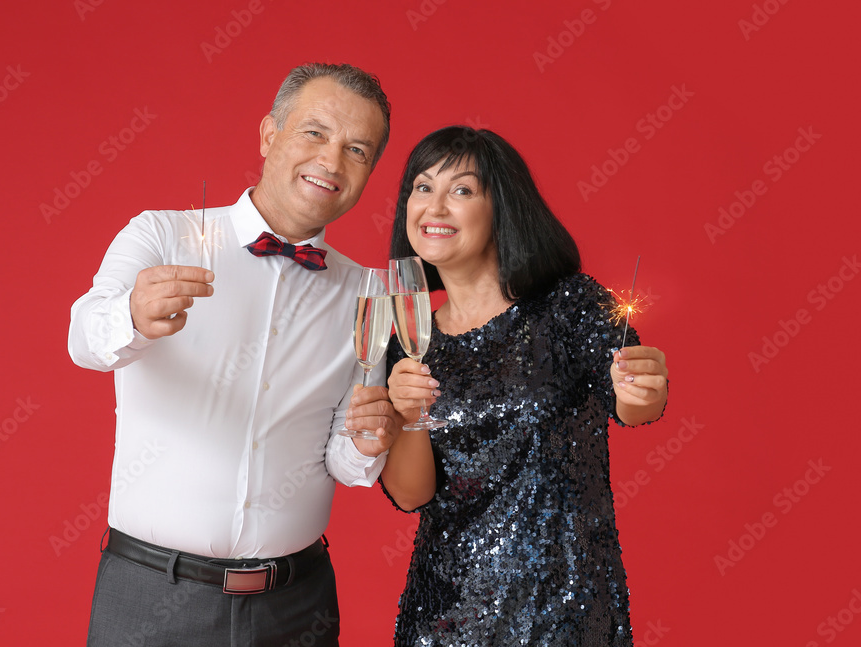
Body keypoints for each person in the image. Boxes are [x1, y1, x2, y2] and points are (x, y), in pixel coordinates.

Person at [68, 63, 399, 647]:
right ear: (270, 135)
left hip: (298, 606)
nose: (332, 162)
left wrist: (370, 439)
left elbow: (345, 463)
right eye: (314, 133)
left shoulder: (371, 292)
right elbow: (84, 339)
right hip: (149, 595)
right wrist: (133, 316)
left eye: (357, 150)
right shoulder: (161, 235)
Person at [351, 126, 669, 646]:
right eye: (422, 187)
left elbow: (635, 403)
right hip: (444, 619)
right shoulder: (408, 343)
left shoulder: (568, 306)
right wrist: (406, 414)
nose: (434, 206)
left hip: (565, 614)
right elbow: (412, 496)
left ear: (502, 206)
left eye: (462, 190)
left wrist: (644, 391)